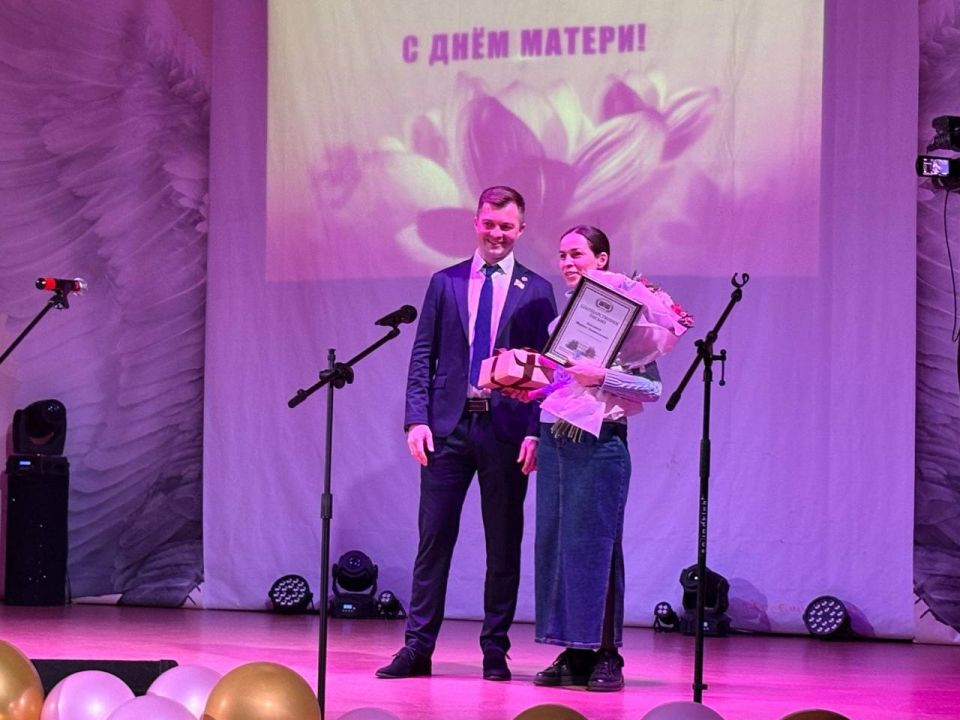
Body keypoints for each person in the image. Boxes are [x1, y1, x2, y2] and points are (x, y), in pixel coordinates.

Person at [376, 186, 556, 682]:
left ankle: (495, 649)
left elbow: (546, 370)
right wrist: (416, 419)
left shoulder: (537, 289)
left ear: (520, 229)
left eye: (506, 226)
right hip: (447, 427)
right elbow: (424, 355)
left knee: (503, 542)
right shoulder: (446, 281)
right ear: (476, 223)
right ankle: (417, 648)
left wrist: (536, 431)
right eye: (489, 224)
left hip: (506, 430)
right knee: (434, 539)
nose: (496, 234)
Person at [528, 225, 664, 692]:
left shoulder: (629, 322)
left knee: (597, 547)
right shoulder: (559, 325)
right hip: (556, 438)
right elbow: (559, 387)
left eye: (577, 254)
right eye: (562, 255)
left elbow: (652, 388)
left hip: (601, 441)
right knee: (558, 545)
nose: (568, 263)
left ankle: (607, 653)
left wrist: (602, 375)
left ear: (601, 259)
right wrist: (526, 383)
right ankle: (573, 649)